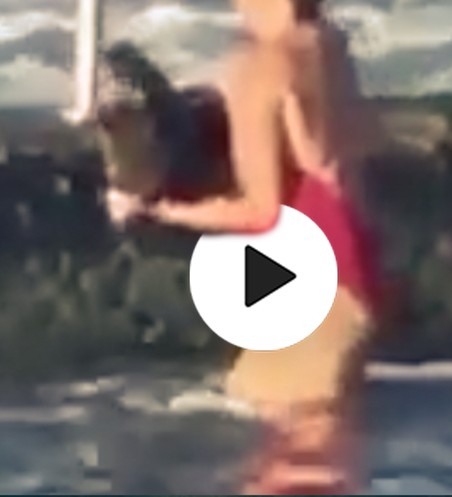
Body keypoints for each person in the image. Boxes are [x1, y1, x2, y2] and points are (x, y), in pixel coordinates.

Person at [106, 0, 384, 493]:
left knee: (290, 461)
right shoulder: (328, 43)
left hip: (311, 289)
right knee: (308, 453)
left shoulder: (258, 67)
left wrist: (154, 210)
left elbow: (260, 213)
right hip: (353, 266)